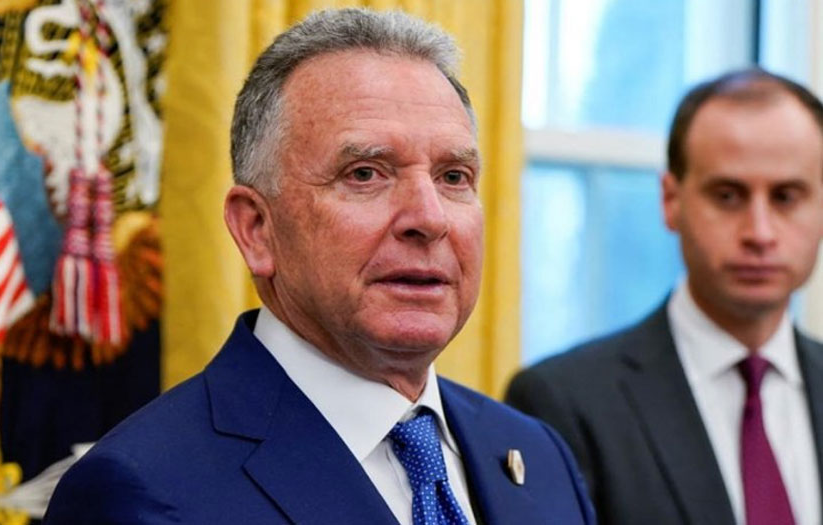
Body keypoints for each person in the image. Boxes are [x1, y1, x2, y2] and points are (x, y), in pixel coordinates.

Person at [44, 8, 595, 524]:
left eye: (453, 177)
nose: (429, 218)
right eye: (365, 174)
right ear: (257, 230)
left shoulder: (537, 457)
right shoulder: (144, 490)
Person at [506, 68, 823, 525]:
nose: (760, 232)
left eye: (786, 197)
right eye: (728, 196)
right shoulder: (564, 405)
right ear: (671, 201)